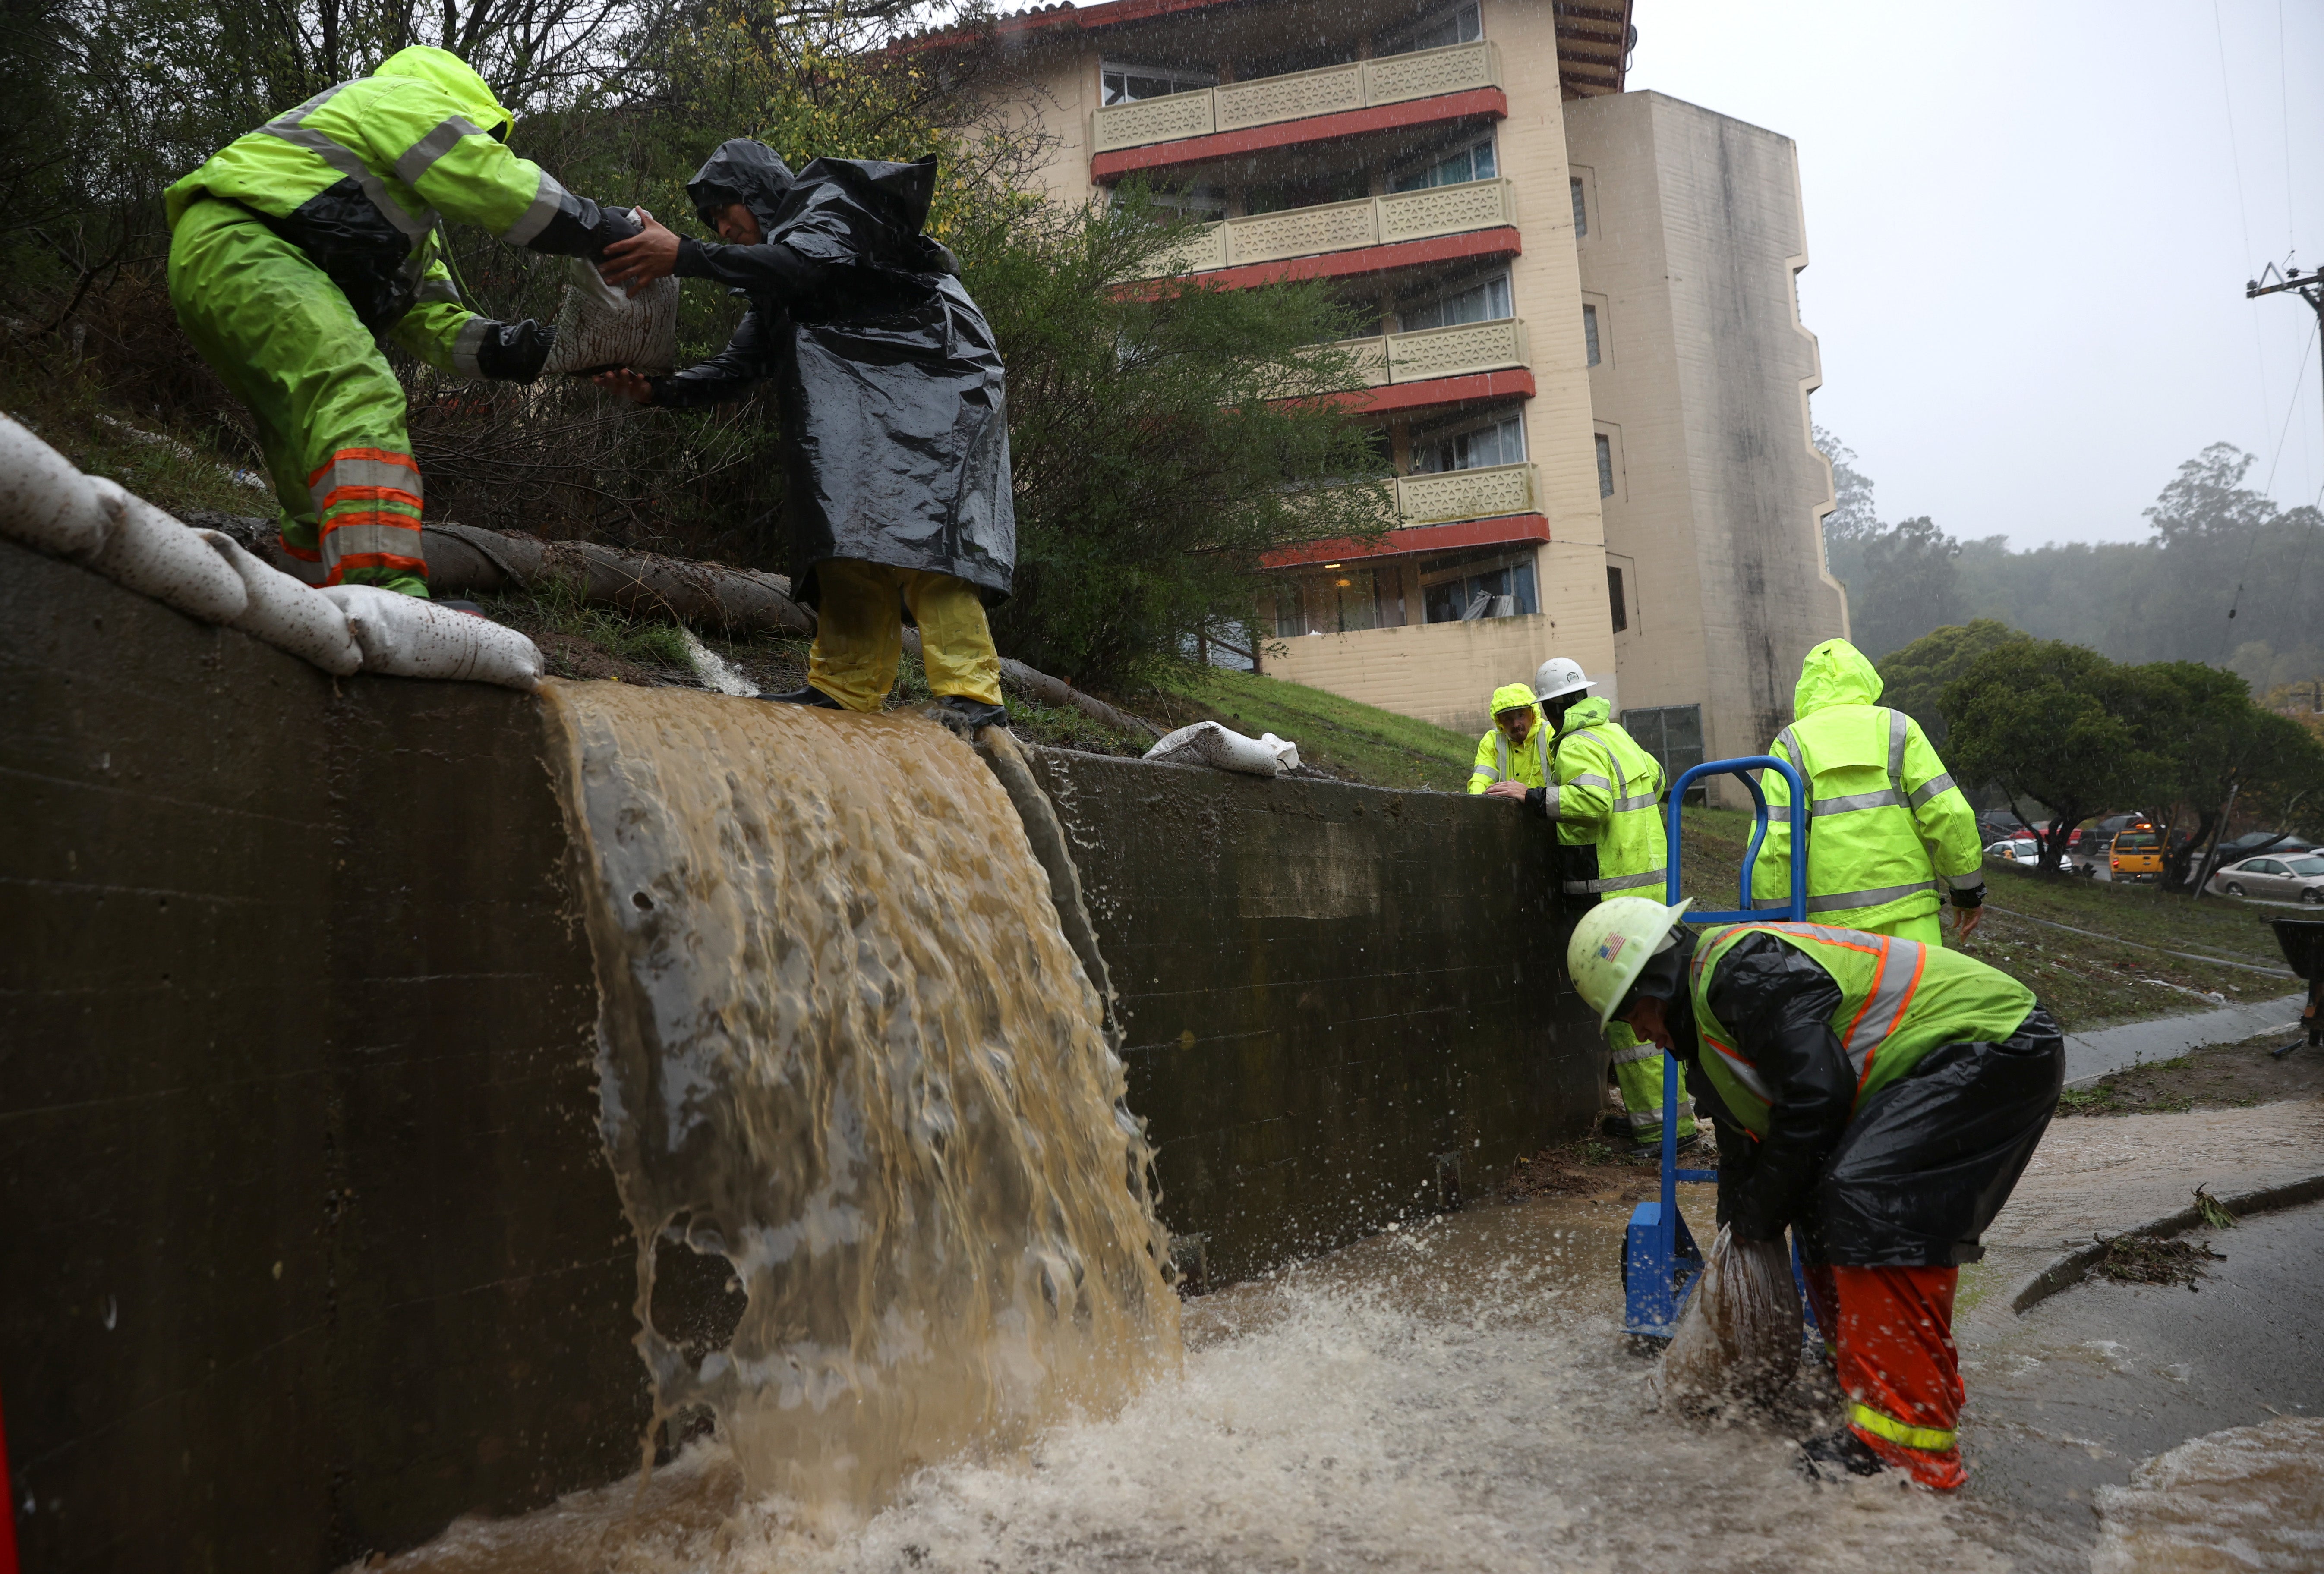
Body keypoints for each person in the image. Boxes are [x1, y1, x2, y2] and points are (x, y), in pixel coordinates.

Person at [1568, 894, 2062, 1489]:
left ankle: (1908, 1449)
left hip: (1992, 1043)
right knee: (1817, 1200)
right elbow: (1747, 1162)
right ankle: (1863, 1384)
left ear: (1653, 984)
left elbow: (1817, 1097)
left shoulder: (1745, 975)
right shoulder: (1709, 1029)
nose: (1644, 1036)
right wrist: (1739, 1247)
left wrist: (1758, 1221)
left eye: (1633, 1017)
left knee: (1871, 1198)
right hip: (1944, 1059)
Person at [165, 47, 639, 597]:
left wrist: (552, 349)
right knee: (359, 395)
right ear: (458, 107)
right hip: (246, 243)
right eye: (477, 132)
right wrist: (605, 229)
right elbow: (494, 182)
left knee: (308, 460)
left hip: (221, 265)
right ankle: (388, 599)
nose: (478, 142)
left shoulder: (407, 230)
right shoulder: (396, 97)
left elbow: (435, 326)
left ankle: (305, 597)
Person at [590, 140, 1014, 729]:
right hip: (868, 396)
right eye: (710, 220)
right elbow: (740, 365)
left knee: (928, 535)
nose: (721, 225)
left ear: (759, 195)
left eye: (725, 208)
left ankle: (972, 694)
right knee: (842, 530)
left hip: (942, 376)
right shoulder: (776, 285)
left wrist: (684, 254)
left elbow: (805, 267)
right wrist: (657, 391)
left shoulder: (829, 207)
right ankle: (845, 684)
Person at [1486, 657, 1693, 1149]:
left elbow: (1593, 805)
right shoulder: (1616, 735)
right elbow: (1659, 779)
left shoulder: (1577, 744)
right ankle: (1673, 1123)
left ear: (1555, 707)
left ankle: (1660, 1132)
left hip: (1615, 895)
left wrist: (1534, 798)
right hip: (1649, 889)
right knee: (1662, 1009)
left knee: (1632, 1020)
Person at [1752, 639, 1985, 944]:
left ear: (1806, 688)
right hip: (1910, 917)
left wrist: (1774, 918)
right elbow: (1948, 813)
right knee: (1916, 992)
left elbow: (1774, 839)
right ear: (1865, 677)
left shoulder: (1791, 743)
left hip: (1831, 931)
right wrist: (1967, 892)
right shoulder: (1899, 728)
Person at [1466, 683, 1551, 796]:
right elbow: (1480, 781)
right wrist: (1477, 806)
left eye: (1521, 715)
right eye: (1507, 719)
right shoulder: (1492, 741)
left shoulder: (1551, 734)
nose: (1516, 724)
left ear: (1533, 713)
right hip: (1506, 812)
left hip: (1548, 811)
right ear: (1499, 720)